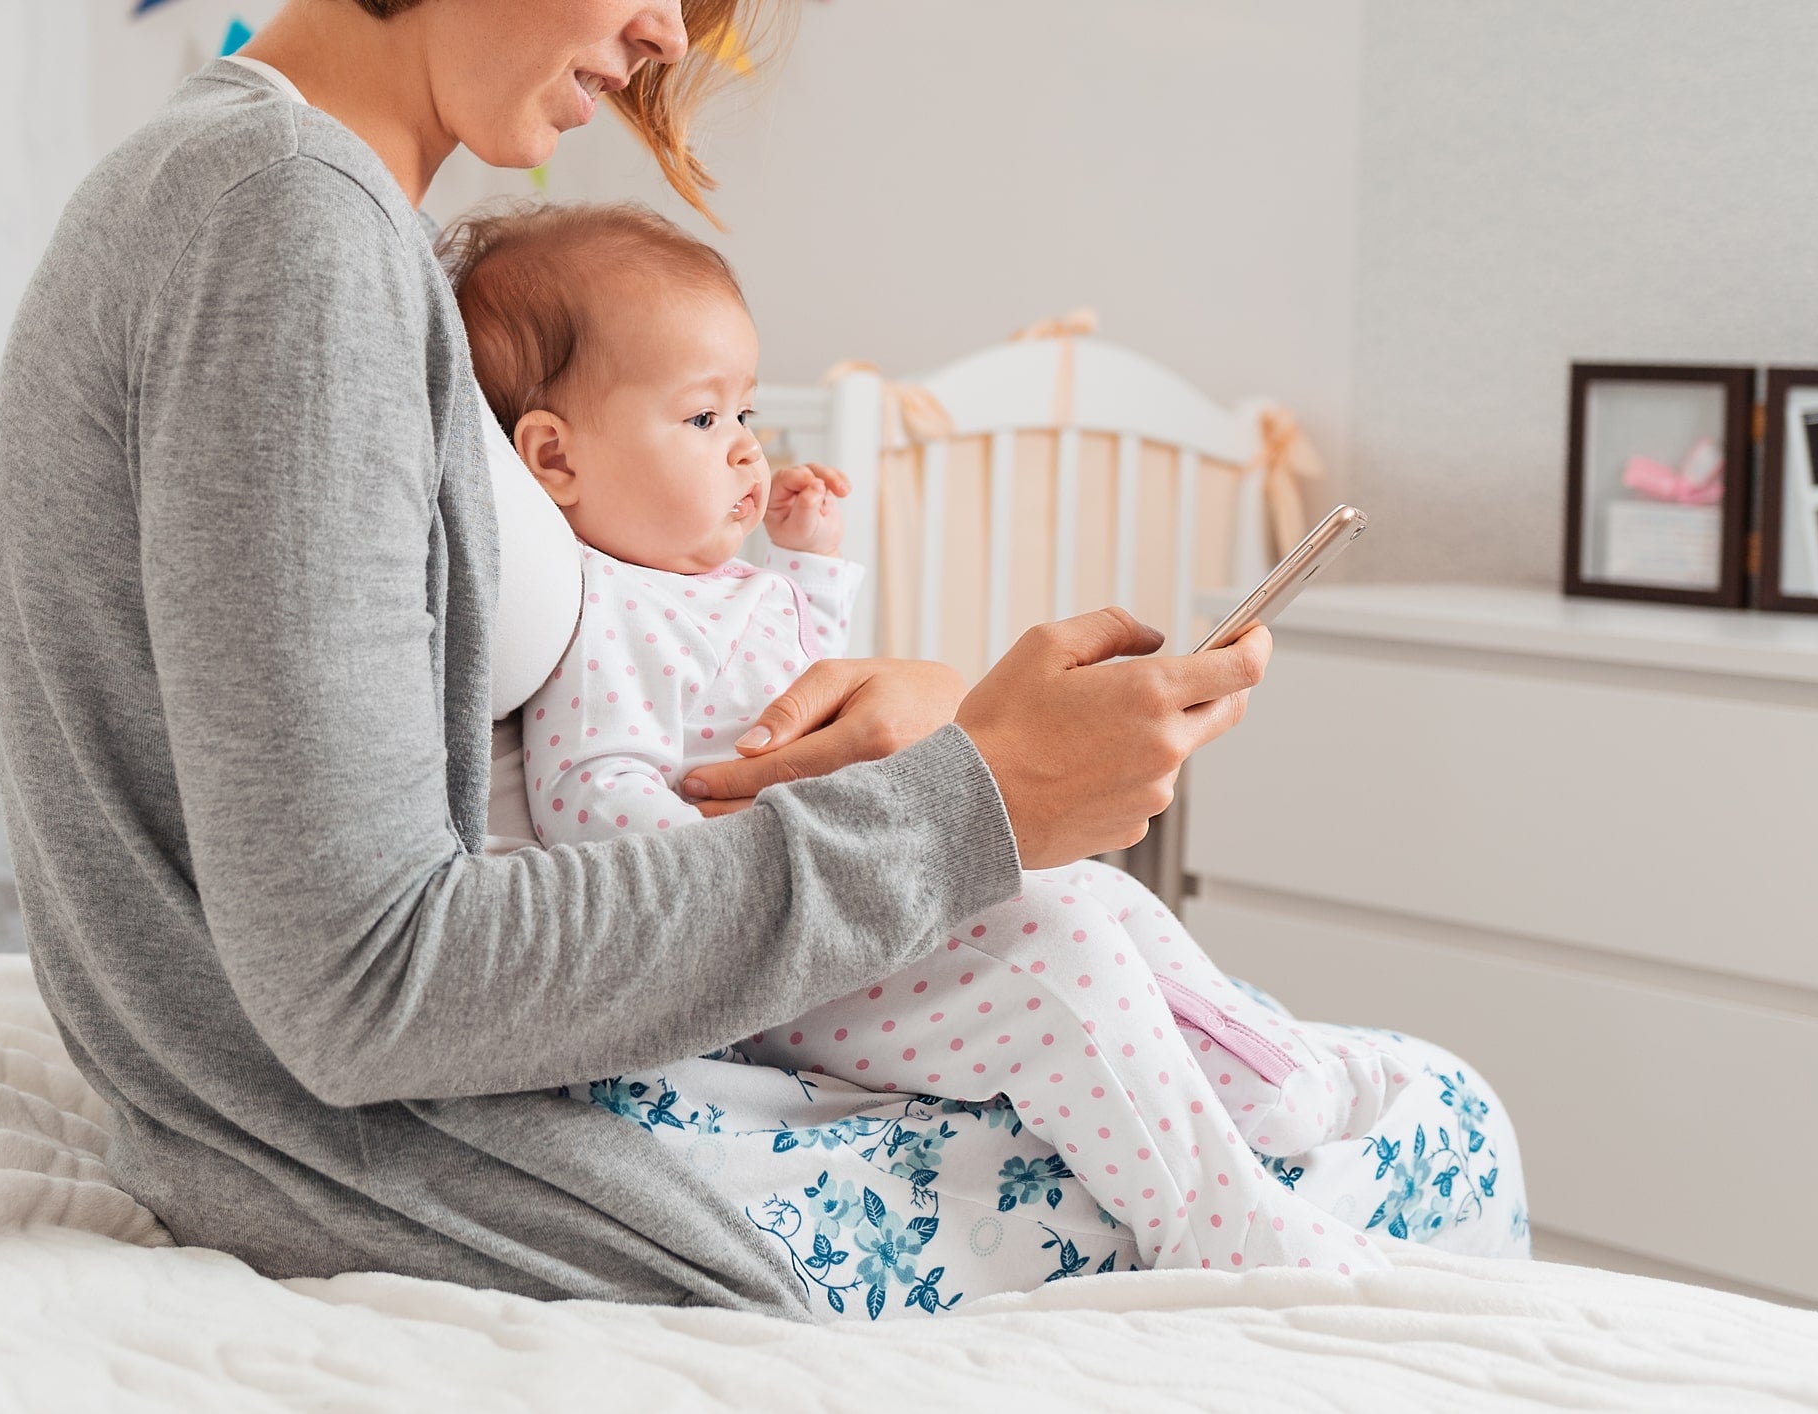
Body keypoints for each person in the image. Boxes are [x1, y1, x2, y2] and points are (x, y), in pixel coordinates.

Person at [0, 0, 1276, 1315]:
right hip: (402, 1163)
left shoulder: (288, 197)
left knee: (1226, 1046)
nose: (667, 32)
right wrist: (972, 807)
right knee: (1429, 1129)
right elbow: (368, 981)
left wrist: (923, 728)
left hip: (423, 1100)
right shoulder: (288, 224)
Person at [449, 201, 1401, 1273]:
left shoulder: (724, 585)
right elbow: (589, 795)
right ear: (554, 458)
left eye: (749, 414)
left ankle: (1265, 1074)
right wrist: (753, 830)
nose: (748, 450)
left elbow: (816, 685)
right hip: (772, 940)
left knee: (1093, 891)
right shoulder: (597, 604)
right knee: (1055, 963)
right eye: (703, 420)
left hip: (864, 871)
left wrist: (810, 557)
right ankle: (1219, 1230)